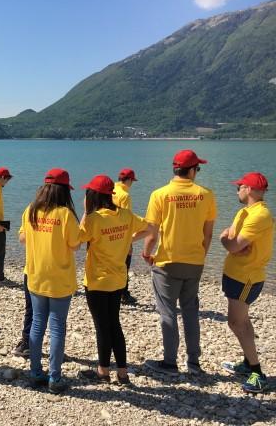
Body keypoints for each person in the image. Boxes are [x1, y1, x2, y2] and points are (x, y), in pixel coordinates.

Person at [142, 149, 216, 376]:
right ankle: (193, 362)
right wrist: (201, 256)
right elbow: (208, 234)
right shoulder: (206, 195)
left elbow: (152, 233)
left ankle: (170, 363)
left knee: (168, 313)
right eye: (198, 169)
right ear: (192, 170)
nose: (197, 172)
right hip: (194, 262)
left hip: (167, 262)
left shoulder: (159, 194)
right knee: (190, 311)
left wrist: (146, 253)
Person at [77, 175, 151, 385]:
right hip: (118, 279)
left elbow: (77, 239)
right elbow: (149, 228)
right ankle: (123, 373)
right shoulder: (125, 215)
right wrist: (128, 239)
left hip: (97, 281)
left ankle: (103, 371)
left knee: (102, 326)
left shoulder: (94, 219)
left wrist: (85, 212)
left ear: (93, 196)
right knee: (114, 324)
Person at [19, 168, 80, 394]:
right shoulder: (65, 214)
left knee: (37, 324)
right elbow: (75, 244)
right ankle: (55, 378)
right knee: (57, 328)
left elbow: (22, 237)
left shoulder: (31, 210)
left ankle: (35, 373)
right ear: (64, 190)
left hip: (36, 276)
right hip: (60, 280)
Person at [220, 172, 273, 393]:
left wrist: (224, 239)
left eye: (239, 187)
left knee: (236, 323)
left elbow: (232, 244)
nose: (237, 191)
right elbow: (235, 242)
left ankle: (258, 374)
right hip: (236, 274)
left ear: (249, 189)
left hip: (246, 278)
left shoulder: (260, 215)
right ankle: (247, 362)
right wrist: (232, 241)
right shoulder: (245, 211)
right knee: (243, 321)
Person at [113, 168, 138, 304]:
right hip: (121, 235)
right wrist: (129, 243)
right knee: (124, 265)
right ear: (129, 180)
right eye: (132, 181)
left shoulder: (111, 189)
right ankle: (124, 294)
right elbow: (126, 219)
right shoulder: (125, 195)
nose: (132, 184)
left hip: (107, 233)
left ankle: (112, 291)